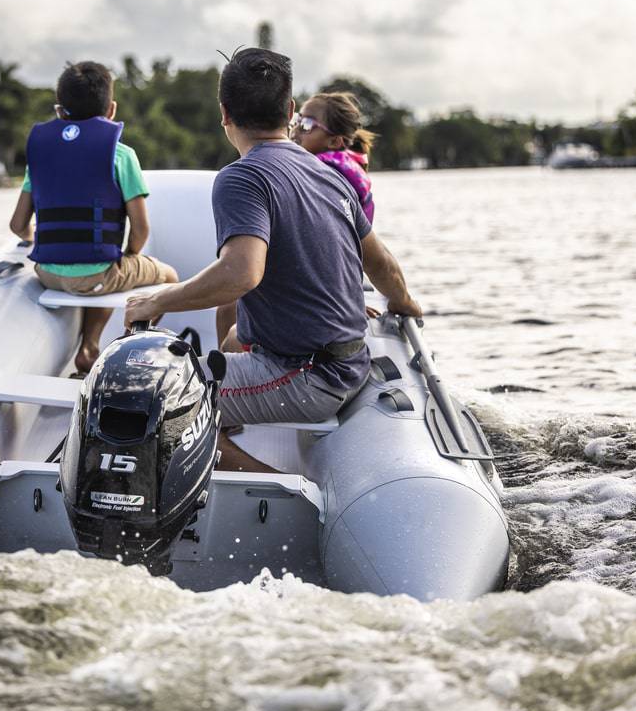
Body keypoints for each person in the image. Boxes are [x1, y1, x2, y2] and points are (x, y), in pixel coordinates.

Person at [123, 48, 421, 473]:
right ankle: (228, 426)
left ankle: (283, 493)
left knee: (147, 401)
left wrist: (158, 301)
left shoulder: (242, 176)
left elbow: (241, 274)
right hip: (348, 360)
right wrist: (404, 303)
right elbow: (383, 264)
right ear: (291, 111)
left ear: (224, 113)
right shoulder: (330, 175)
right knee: (227, 344)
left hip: (306, 376)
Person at [9, 61, 178, 373]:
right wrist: (127, 257)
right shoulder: (121, 154)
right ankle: (126, 354)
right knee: (168, 277)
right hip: (98, 275)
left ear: (60, 111)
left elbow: (17, 225)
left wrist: (40, 241)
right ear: (111, 109)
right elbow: (140, 230)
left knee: (102, 271)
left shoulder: (40, 156)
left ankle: (88, 348)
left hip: (47, 273)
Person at [291, 92, 376, 223]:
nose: (295, 129)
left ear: (334, 141)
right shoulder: (338, 167)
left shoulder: (326, 177)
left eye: (306, 124)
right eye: (297, 120)